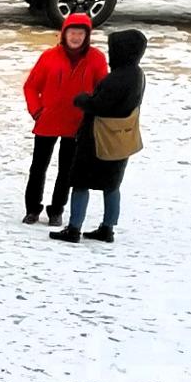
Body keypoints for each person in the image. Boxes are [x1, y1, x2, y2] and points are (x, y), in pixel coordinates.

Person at [53, 29, 146, 244]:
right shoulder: (137, 74)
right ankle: (108, 227)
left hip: (97, 138)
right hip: (121, 138)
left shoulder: (117, 79)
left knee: (80, 182)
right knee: (112, 185)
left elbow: (98, 105)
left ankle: (74, 227)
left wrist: (82, 99)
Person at [22, 13, 108, 226]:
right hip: (48, 121)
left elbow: (102, 90)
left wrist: (92, 113)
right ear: (64, 34)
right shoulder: (49, 56)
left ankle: (56, 210)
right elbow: (31, 86)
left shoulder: (96, 58)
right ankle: (32, 209)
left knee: (67, 170)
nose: (76, 37)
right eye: (72, 33)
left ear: (87, 36)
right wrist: (37, 111)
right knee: (38, 167)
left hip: (77, 124)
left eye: (81, 33)